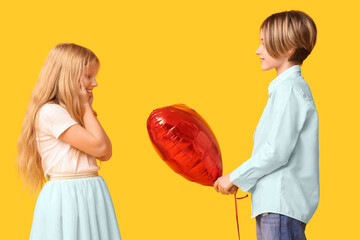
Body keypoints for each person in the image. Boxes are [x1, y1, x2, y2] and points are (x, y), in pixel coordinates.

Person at [214, 10, 319, 240]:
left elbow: (276, 152)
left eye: (264, 43)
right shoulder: (286, 89)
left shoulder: (289, 90)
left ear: (289, 48)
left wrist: (235, 177)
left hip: (279, 207)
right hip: (276, 207)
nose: (257, 50)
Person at [17, 43, 121, 240]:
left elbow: (106, 153)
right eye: (89, 76)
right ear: (69, 77)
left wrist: (85, 109)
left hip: (90, 191)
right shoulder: (51, 112)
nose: (95, 83)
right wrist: (84, 106)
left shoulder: (77, 113)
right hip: (69, 195)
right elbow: (99, 147)